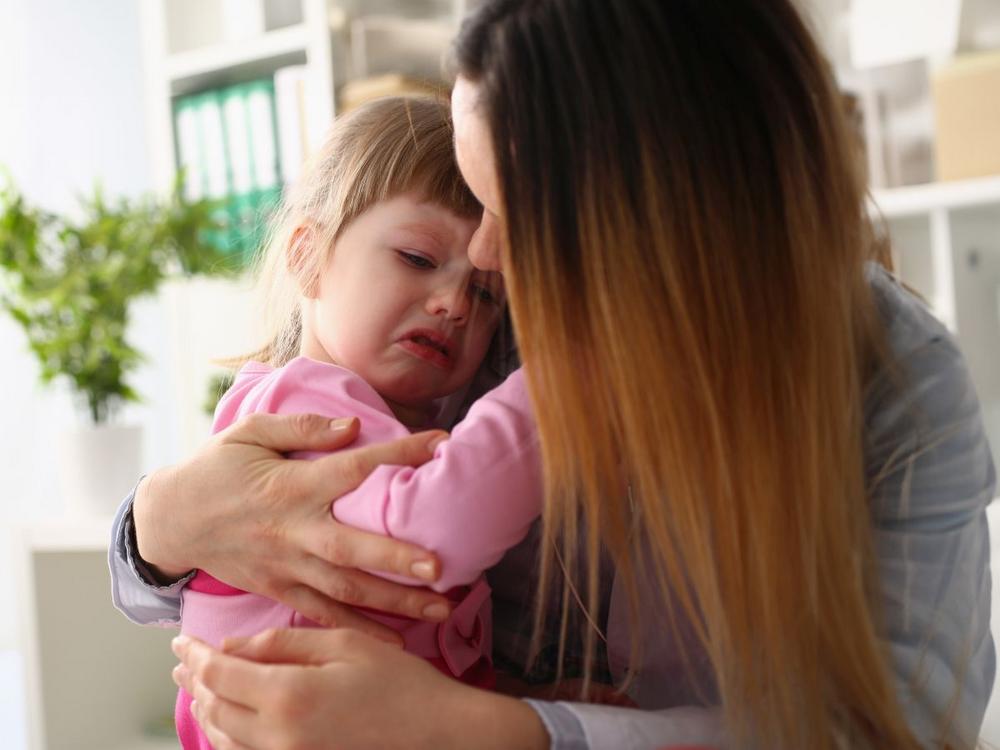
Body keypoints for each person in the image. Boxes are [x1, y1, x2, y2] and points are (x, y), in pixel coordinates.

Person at [111, 1, 996, 748]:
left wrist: (499, 730)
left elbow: (899, 730)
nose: (482, 262)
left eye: (517, 211)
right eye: (469, 200)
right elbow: (215, 532)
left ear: (667, 208)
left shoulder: (894, 391)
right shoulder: (458, 339)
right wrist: (159, 524)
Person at [167, 95, 548, 750]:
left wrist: (528, 708)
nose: (454, 302)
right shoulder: (303, 405)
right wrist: (563, 382)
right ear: (307, 256)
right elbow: (434, 532)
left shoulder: (374, 411)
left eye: (486, 294)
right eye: (418, 259)